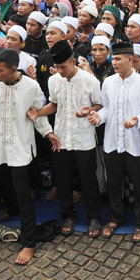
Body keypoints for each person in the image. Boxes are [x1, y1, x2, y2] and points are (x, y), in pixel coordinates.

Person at [0, 48, 60, 265]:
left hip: (20, 147)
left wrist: (48, 133)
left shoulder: (31, 86)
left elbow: (37, 114)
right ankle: (11, 210)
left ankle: (29, 242)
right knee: (4, 185)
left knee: (24, 195)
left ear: (13, 69)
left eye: (0, 70)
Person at [33, 40, 103, 238]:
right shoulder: (54, 80)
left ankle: (94, 217)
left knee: (88, 180)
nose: (60, 71)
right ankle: (68, 215)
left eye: (63, 67)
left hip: (83, 137)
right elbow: (54, 104)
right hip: (61, 137)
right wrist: (37, 113)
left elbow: (99, 104)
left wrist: (89, 110)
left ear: (73, 61)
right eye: (57, 67)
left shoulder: (90, 80)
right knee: (62, 180)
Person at [88, 40, 140, 242]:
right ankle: (116, 217)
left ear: (130, 60)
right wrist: (99, 117)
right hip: (112, 141)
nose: (114, 63)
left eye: (118, 59)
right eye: (113, 59)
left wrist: (137, 120)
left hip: (135, 143)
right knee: (114, 183)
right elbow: (107, 108)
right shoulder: (108, 82)